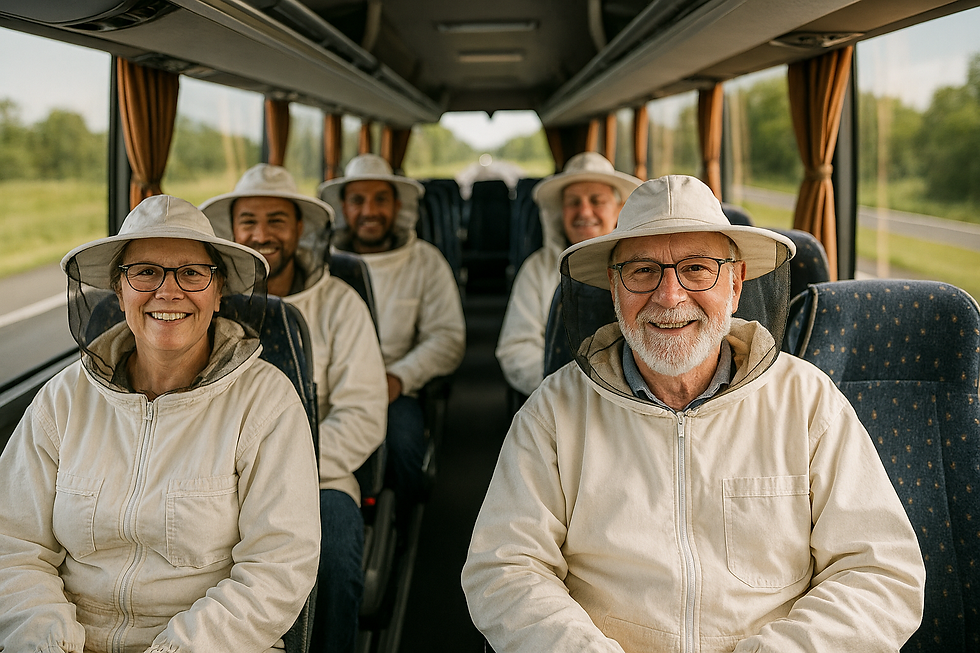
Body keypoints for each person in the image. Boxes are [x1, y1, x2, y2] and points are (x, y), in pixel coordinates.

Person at [462, 175, 926, 652]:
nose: (669, 296)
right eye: (642, 271)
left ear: (736, 283)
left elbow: (880, 572)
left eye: (697, 269)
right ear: (614, 289)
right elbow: (505, 568)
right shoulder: (555, 410)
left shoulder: (807, 402)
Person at [0, 195, 320, 653]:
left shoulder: (265, 402)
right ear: (119, 289)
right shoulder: (64, 398)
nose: (168, 291)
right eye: (145, 271)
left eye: (191, 273)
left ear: (218, 291)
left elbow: (277, 569)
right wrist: (51, 642)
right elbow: (12, 545)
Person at [201, 164, 388, 653]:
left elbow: (363, 413)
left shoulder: (340, 304)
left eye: (276, 220)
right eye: (249, 221)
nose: (261, 234)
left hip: (319, 478)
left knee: (334, 549)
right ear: (233, 230)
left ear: (300, 228)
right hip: (214, 479)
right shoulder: (208, 306)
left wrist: (281, 476)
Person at [319, 154, 465, 516]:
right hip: (324, 385)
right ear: (343, 207)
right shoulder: (319, 265)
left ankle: (398, 529)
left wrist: (400, 377)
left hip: (393, 387)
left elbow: (447, 337)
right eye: (358, 200)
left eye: (380, 199)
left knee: (403, 446)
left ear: (397, 206)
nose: (369, 210)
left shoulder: (425, 261)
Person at [495, 152, 641, 396]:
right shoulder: (537, 268)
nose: (584, 211)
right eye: (573, 202)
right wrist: (572, 394)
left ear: (619, 209)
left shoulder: (644, 267)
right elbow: (515, 349)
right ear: (561, 212)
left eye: (596, 200)